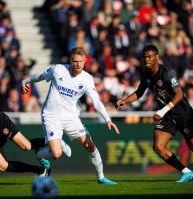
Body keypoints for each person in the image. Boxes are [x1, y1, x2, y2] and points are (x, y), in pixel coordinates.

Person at [115, 44, 193, 183]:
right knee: (158, 147)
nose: (146, 60)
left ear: (157, 58)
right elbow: (139, 92)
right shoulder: (146, 74)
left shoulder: (168, 73)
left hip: (183, 114)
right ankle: (187, 172)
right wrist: (124, 101)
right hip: (167, 116)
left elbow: (179, 94)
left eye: (149, 57)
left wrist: (162, 110)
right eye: (144, 57)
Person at [21, 47, 120, 185]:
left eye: (80, 61)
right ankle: (40, 154)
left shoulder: (87, 79)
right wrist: (26, 81)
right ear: (70, 61)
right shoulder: (58, 70)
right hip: (51, 117)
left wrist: (108, 119)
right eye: (74, 61)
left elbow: (96, 102)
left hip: (71, 118)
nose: (77, 64)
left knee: (90, 146)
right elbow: (41, 76)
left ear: (85, 61)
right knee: (56, 154)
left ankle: (101, 177)